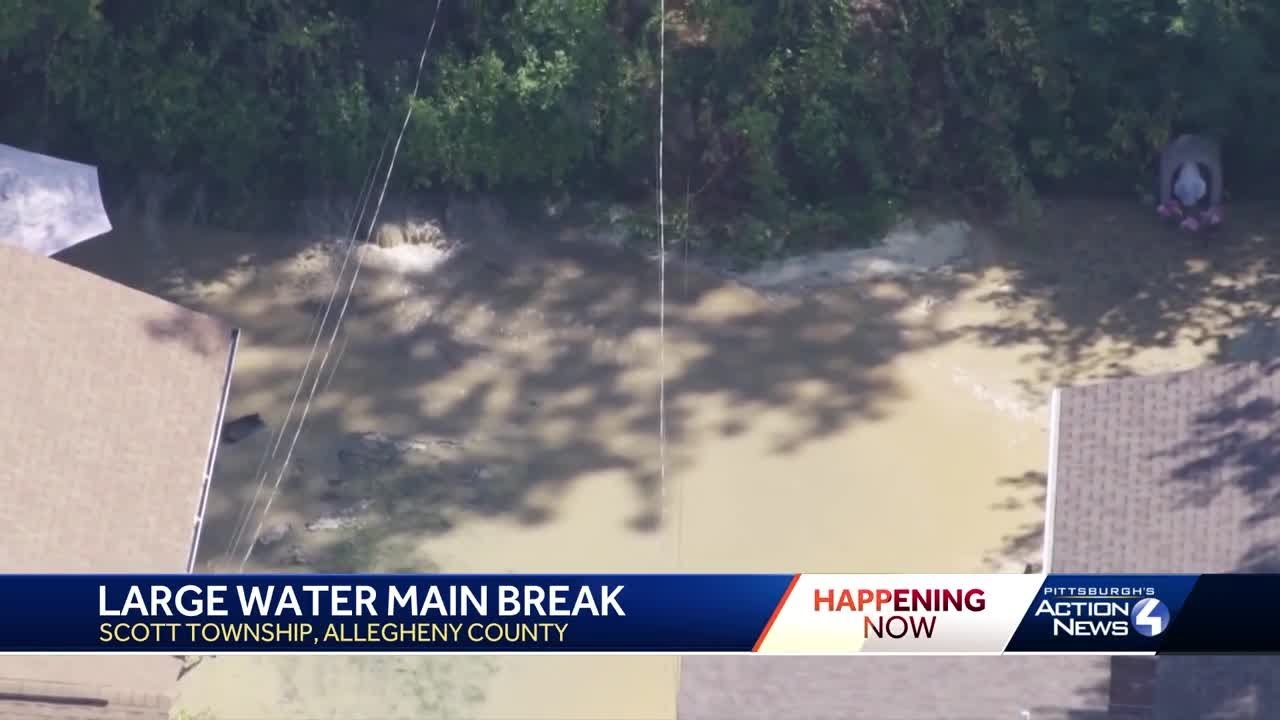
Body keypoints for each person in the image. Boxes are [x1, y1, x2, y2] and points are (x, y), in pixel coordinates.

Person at [1156, 134, 1223, 231]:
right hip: (1190, 181)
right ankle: (1191, 220)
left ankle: (1191, 219)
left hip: (1189, 181)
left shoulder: (1195, 190)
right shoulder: (1197, 190)